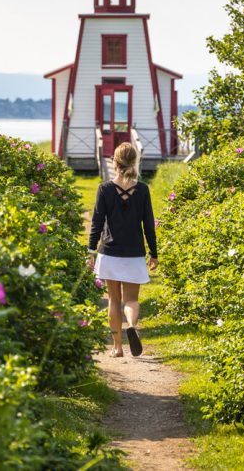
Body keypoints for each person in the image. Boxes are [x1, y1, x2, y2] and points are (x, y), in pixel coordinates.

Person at [87, 141, 159, 357]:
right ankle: (132, 325)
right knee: (131, 300)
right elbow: (148, 225)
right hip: (134, 254)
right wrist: (154, 253)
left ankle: (117, 347)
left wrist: (91, 251)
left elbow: (96, 223)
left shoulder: (105, 189)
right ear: (134, 162)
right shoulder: (143, 190)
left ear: (115, 162)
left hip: (109, 252)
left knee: (113, 300)